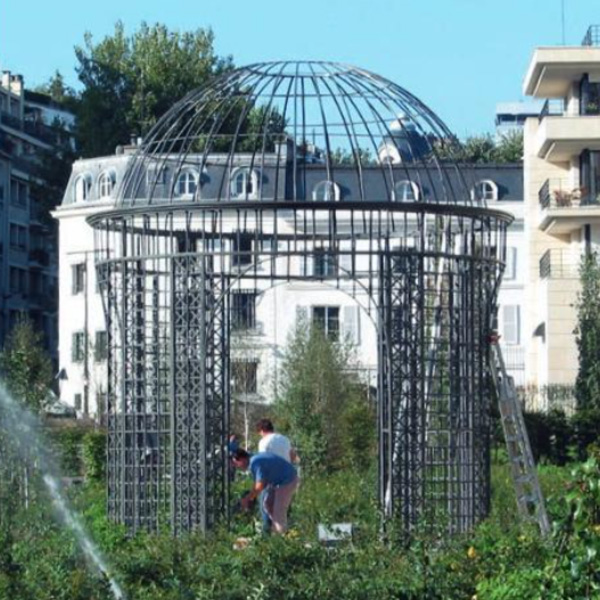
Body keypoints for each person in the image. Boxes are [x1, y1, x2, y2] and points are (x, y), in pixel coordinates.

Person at [231, 448, 298, 535]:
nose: (237, 467)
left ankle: (280, 537)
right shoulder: (254, 458)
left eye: (236, 463)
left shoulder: (255, 462)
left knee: (279, 511)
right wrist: (251, 497)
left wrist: (247, 499)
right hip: (279, 481)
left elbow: (260, 486)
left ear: (242, 459)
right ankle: (280, 527)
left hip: (287, 481)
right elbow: (262, 482)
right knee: (268, 504)